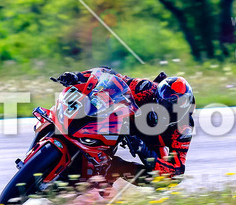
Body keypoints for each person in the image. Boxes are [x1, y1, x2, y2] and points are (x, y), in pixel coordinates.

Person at [52, 67, 195, 185]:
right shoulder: (146, 89)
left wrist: (142, 148)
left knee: (168, 180)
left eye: (173, 106)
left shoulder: (184, 128)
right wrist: (78, 77)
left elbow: (177, 170)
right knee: (97, 112)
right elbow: (110, 74)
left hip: (151, 143)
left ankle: (116, 169)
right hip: (129, 123)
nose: (166, 109)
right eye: (164, 103)